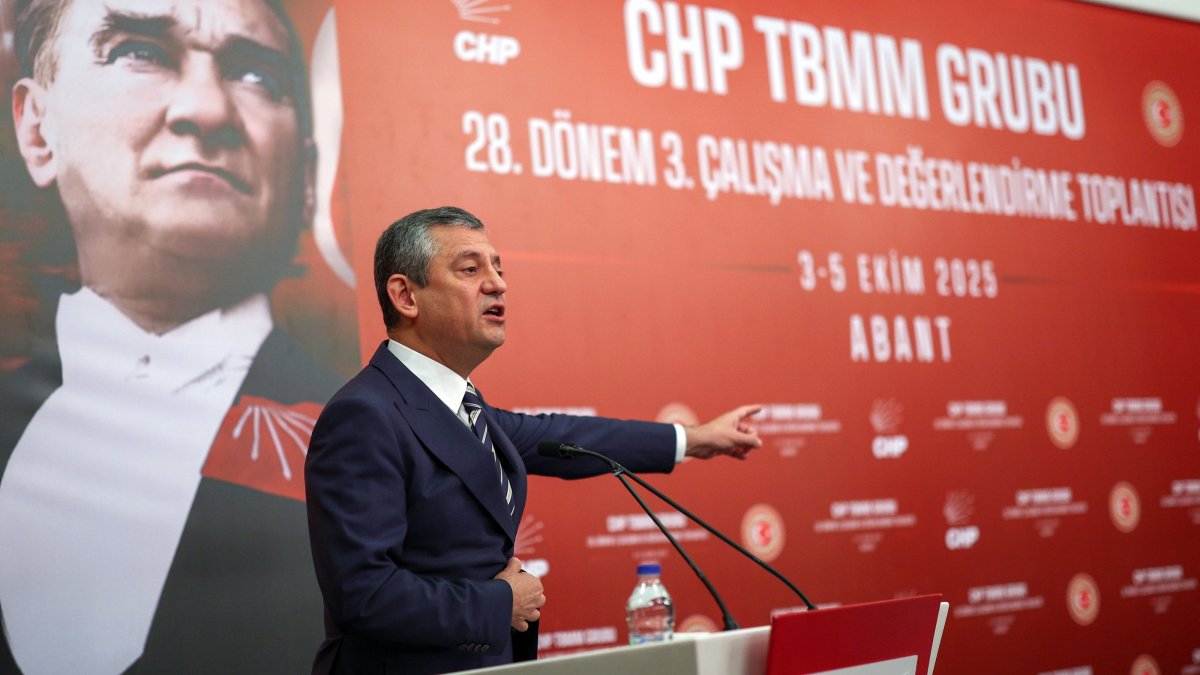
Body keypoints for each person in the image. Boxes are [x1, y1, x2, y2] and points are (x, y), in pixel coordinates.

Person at [0, 0, 341, 672]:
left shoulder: (384, 451)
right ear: (38, 131)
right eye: (139, 51)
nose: (207, 110)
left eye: (257, 77)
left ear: (305, 177)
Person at [305, 206, 762, 674]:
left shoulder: (463, 406)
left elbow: (563, 436)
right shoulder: (365, 415)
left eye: (499, 269)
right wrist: (500, 603)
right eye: (470, 269)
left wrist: (694, 439)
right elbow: (363, 594)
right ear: (405, 296)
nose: (498, 284)